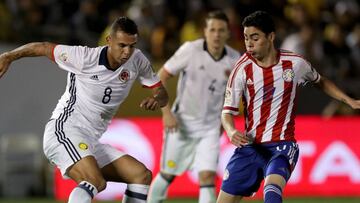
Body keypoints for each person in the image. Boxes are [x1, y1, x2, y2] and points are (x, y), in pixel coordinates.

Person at [0, 17, 168, 203]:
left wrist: (157, 98)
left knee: (140, 175)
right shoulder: (84, 57)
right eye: (122, 45)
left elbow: (161, 91)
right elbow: (43, 47)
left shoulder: (137, 60)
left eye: (132, 46)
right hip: (64, 130)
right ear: (109, 41)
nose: (127, 52)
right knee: (94, 180)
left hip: (90, 140)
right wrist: (9, 56)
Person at [218, 11, 360, 203]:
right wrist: (231, 130)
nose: (249, 43)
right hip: (249, 148)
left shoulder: (295, 63)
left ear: (271, 36)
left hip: (282, 146)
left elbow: (320, 81)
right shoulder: (241, 69)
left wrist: (347, 100)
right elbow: (227, 112)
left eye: (255, 37)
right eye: (245, 38)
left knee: (272, 191)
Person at [148, 10, 240, 203]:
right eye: (212, 29)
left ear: (227, 33)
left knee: (207, 178)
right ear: (204, 31)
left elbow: (234, 95)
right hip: (182, 124)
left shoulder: (234, 59)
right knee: (167, 174)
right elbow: (160, 77)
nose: (216, 34)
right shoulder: (190, 50)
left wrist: (225, 122)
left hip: (210, 128)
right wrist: (166, 113)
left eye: (221, 30)